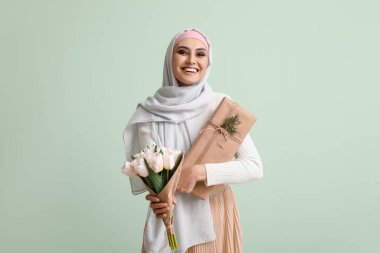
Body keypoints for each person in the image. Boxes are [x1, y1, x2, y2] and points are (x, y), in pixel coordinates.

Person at [123, 28, 263, 253]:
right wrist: (158, 198)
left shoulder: (222, 106)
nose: (191, 60)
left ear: (208, 62)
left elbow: (254, 167)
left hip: (213, 211)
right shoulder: (149, 114)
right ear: (171, 58)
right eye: (182, 52)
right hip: (170, 217)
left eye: (200, 54)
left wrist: (200, 172)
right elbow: (154, 177)